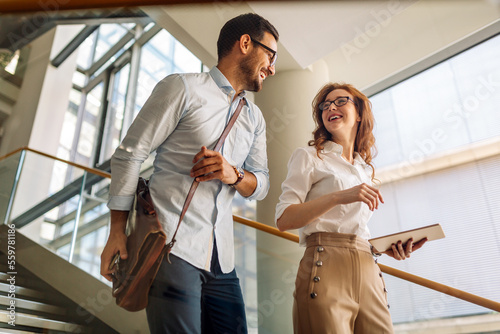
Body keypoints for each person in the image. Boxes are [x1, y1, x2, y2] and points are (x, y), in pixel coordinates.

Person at [100, 13, 279, 333]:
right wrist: (116, 230)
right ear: (246, 43)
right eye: (270, 54)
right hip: (172, 248)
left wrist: (233, 174)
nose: (272, 67)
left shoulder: (255, 118)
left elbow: (261, 182)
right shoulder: (181, 87)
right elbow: (130, 155)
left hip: (222, 261)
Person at [275, 83, 427, 333]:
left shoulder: (364, 170)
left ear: (359, 112)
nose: (330, 107)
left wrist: (386, 249)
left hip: (368, 268)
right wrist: (338, 196)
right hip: (325, 266)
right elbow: (283, 219)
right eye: (325, 105)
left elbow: (355, 229)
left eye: (340, 101)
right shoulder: (310, 156)